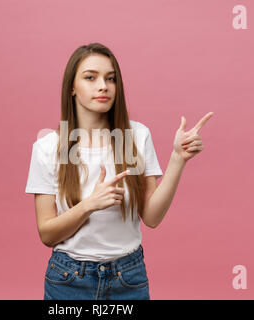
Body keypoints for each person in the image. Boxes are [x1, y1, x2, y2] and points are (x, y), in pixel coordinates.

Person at [25, 43, 213, 300]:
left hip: (127, 277)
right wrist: (88, 205)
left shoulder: (135, 136)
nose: (103, 86)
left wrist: (178, 159)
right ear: (72, 87)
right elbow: (47, 234)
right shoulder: (47, 148)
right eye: (90, 77)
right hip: (69, 280)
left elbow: (152, 217)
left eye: (110, 78)